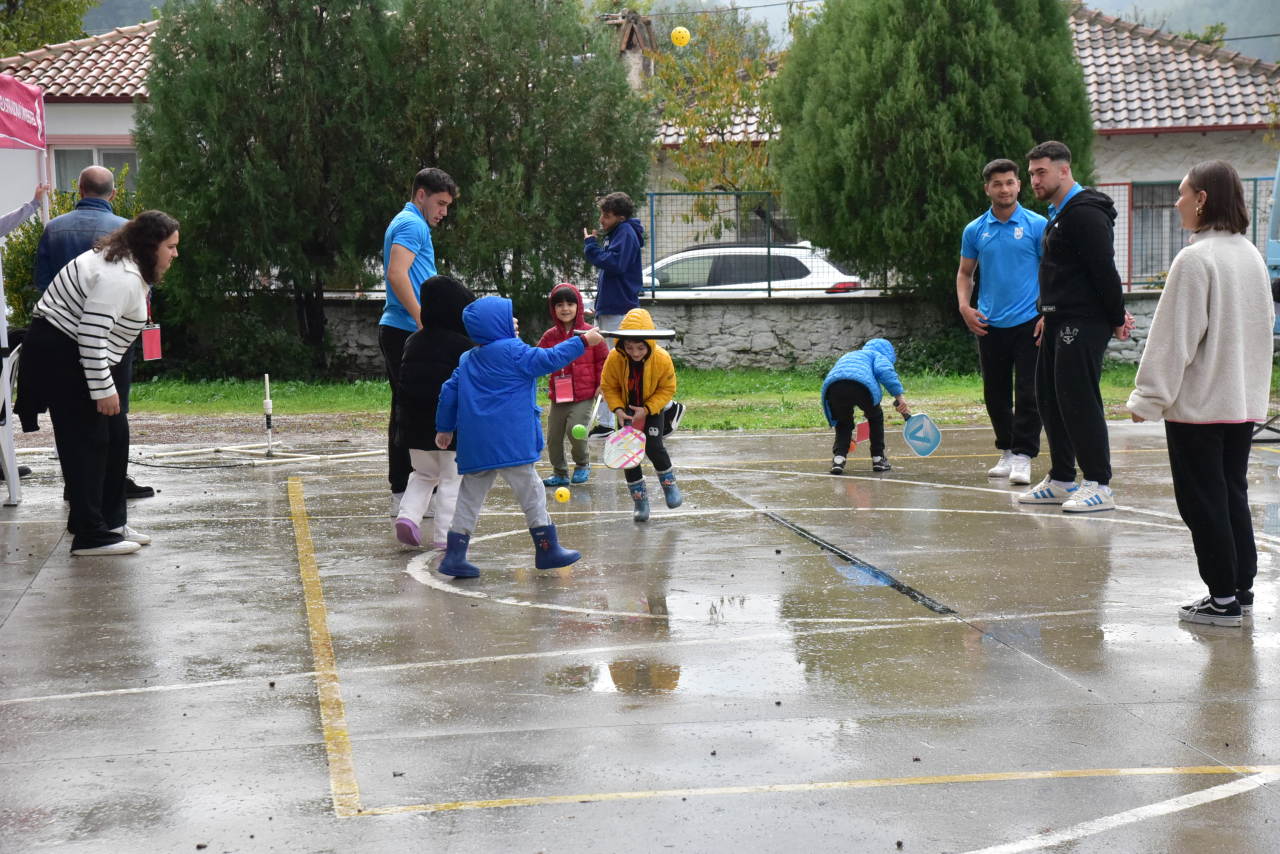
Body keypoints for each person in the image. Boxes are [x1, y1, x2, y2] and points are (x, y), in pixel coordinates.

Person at [1127, 161, 1273, 627]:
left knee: (1202, 501)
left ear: (1202, 199)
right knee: (1231, 494)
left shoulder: (1195, 259)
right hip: (1240, 403)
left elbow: (1174, 338)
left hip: (1200, 406)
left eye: (1182, 193)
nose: (1176, 202)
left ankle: (1222, 600)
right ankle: (1240, 590)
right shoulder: (1248, 253)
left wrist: (1148, 398)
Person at [17, 211, 179, 556]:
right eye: (170, 246)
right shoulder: (120, 277)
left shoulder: (125, 264)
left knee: (115, 434)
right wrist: (104, 389)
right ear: (151, 247)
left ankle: (110, 522)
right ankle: (90, 535)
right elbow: (91, 336)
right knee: (87, 440)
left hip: (72, 349)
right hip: (60, 352)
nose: (174, 254)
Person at [434, 297, 606, 578]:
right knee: (532, 492)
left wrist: (444, 428)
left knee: (469, 498)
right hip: (511, 443)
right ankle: (547, 549)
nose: (515, 322)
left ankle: (455, 555)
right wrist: (583, 341)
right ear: (496, 325)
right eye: (508, 318)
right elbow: (550, 359)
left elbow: (448, 392)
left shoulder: (467, 359)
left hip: (477, 446)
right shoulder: (515, 352)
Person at [1018, 140, 1133, 513]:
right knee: (1048, 397)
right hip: (1058, 319)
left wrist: (1117, 317)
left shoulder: (1085, 213)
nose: (1035, 179)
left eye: (1041, 172)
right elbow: (1062, 273)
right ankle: (1062, 478)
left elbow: (1104, 271)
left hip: (1084, 321)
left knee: (1078, 399)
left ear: (1064, 170)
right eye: (1032, 173)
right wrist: (1046, 312)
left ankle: (1099, 483)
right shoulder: (1060, 213)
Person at [33, 166, 155, 500]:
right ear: (113, 194)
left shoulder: (53, 227)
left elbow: (43, 281)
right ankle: (113, 482)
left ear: (80, 190)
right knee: (114, 412)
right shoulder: (125, 230)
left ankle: (76, 485)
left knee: (71, 418)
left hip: (61, 333)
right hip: (109, 330)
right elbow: (141, 283)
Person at [957, 159, 1046, 486]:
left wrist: (1047, 313)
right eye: (998, 184)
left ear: (1019, 185)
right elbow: (965, 273)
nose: (1004, 189)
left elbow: (1050, 272)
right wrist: (965, 307)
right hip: (988, 324)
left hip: (1029, 323)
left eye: (1010, 182)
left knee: (1028, 392)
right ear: (987, 189)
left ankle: (1023, 457)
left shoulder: (1037, 224)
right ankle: (1007, 451)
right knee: (994, 394)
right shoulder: (975, 229)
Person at [381, 167, 459, 515]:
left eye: (448, 205)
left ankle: (411, 490)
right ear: (421, 195)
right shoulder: (412, 224)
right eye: (440, 203)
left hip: (400, 328)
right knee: (413, 411)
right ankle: (406, 491)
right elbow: (397, 274)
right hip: (404, 330)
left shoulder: (408, 222)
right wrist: (421, 318)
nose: (444, 211)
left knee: (407, 408)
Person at [391, 275, 475, 549]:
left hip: (413, 429)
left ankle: (407, 517)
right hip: (449, 430)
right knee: (452, 481)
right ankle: (444, 537)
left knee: (423, 474)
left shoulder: (411, 341)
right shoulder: (463, 346)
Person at [599, 308, 680, 522]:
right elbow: (608, 386)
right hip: (625, 410)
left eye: (640, 347)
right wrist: (617, 410)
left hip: (651, 408)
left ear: (650, 343)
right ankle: (640, 500)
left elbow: (667, 388)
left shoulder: (662, 359)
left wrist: (647, 409)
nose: (634, 352)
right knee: (628, 455)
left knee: (654, 446)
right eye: (629, 347)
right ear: (621, 344)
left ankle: (669, 485)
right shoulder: (614, 358)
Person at [583, 191, 645, 437]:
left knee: (619, 366)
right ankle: (608, 422)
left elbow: (615, 264)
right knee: (615, 366)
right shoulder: (619, 233)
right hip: (611, 309)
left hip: (620, 311)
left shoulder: (625, 233)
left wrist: (591, 249)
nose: (601, 220)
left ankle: (610, 423)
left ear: (620, 217)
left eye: (606, 216)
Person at [537, 284, 609, 487]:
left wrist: (602, 384)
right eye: (559, 304)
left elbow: (604, 360)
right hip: (559, 397)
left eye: (570, 303)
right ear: (553, 309)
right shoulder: (550, 336)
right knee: (552, 437)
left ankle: (582, 464)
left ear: (578, 306)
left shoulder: (591, 333)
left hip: (585, 396)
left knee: (576, 430)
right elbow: (538, 358)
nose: (565, 308)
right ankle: (559, 472)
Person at [820, 339, 910, 475]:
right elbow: (885, 371)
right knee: (875, 417)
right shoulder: (877, 355)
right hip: (861, 386)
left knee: (843, 423)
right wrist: (900, 397)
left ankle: (838, 460)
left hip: (834, 387)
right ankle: (878, 458)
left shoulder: (851, 355)